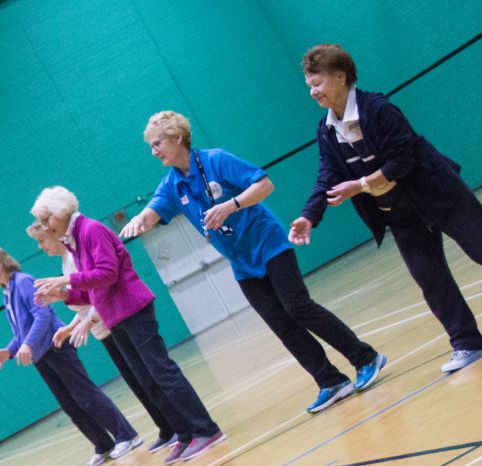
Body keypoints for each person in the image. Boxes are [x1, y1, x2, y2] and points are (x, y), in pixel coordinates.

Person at [121, 110, 386, 414]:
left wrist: (231, 205)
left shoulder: (216, 160)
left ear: (177, 138)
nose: (154, 152)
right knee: (280, 323)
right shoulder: (172, 183)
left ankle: (365, 358)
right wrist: (139, 221)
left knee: (298, 307)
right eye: (151, 147)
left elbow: (264, 184)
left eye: (158, 144)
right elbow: (154, 209)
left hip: (269, 245)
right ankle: (330, 381)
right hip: (242, 263)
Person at [290, 43, 482, 374]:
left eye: (318, 83)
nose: (313, 92)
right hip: (399, 214)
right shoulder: (326, 130)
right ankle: (467, 342)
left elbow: (403, 159)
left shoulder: (378, 109)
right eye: (310, 86)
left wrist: (360, 186)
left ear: (340, 77)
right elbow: (327, 174)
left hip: (438, 194)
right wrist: (309, 215)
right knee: (431, 280)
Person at [30, 186, 226, 465]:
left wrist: (67, 281)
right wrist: (63, 294)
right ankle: (184, 434)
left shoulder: (91, 230)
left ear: (61, 211)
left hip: (132, 307)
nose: (45, 225)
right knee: (147, 380)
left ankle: (206, 429)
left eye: (46, 218)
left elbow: (108, 274)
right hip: (115, 315)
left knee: (162, 372)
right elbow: (94, 291)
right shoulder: (75, 238)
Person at [0, 247, 139, 466]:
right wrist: (10, 350)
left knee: (86, 396)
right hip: (41, 356)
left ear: (2, 262)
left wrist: (27, 344)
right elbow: (20, 331)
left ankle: (127, 435)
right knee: (70, 405)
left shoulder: (23, 282)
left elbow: (42, 314)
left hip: (56, 346)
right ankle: (102, 444)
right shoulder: (7, 293)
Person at [28, 224, 177, 452]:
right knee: (136, 382)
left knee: (146, 378)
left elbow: (98, 295)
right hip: (101, 327)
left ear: (54, 236)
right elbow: (83, 303)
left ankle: (174, 426)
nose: (40, 247)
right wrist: (70, 326)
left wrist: (89, 321)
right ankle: (165, 428)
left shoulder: (75, 259)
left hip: (109, 323)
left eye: (42, 241)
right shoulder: (65, 263)